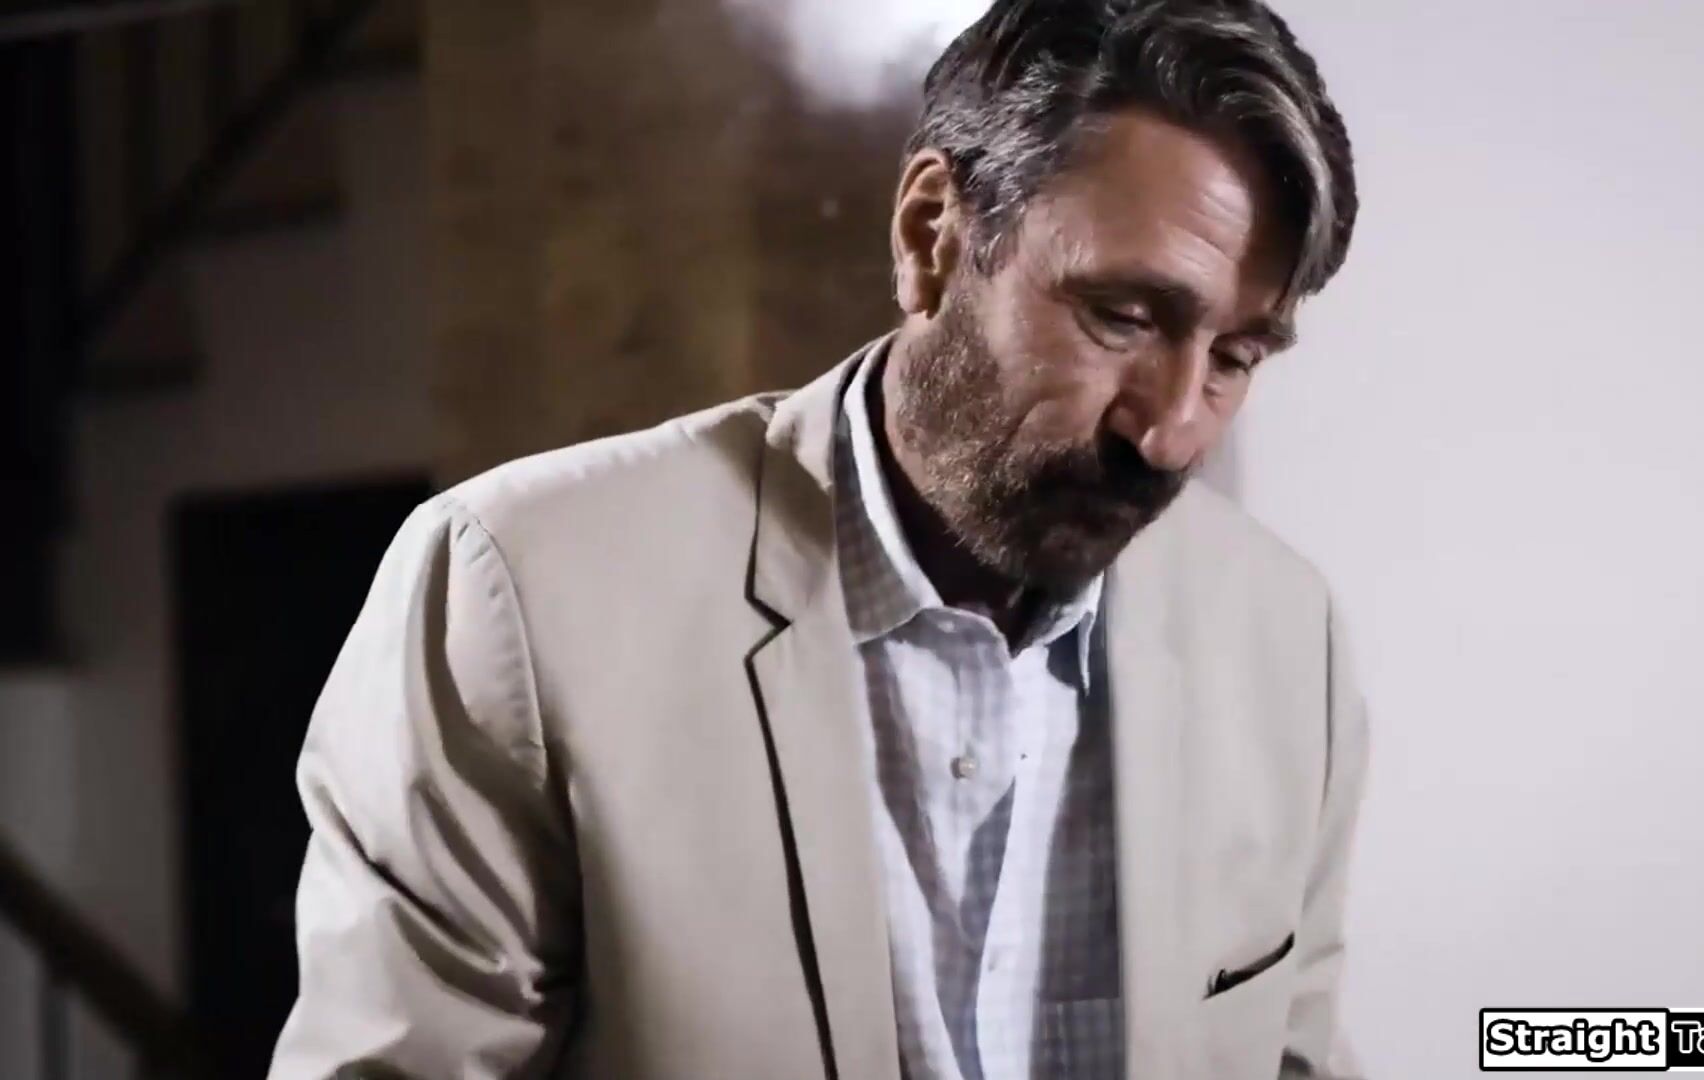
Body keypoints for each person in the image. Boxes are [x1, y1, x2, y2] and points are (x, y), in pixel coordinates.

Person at [268, 1, 1367, 1077]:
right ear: (933, 235)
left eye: (1236, 357)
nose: (1172, 431)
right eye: (1122, 317)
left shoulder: (1285, 637)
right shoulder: (517, 590)